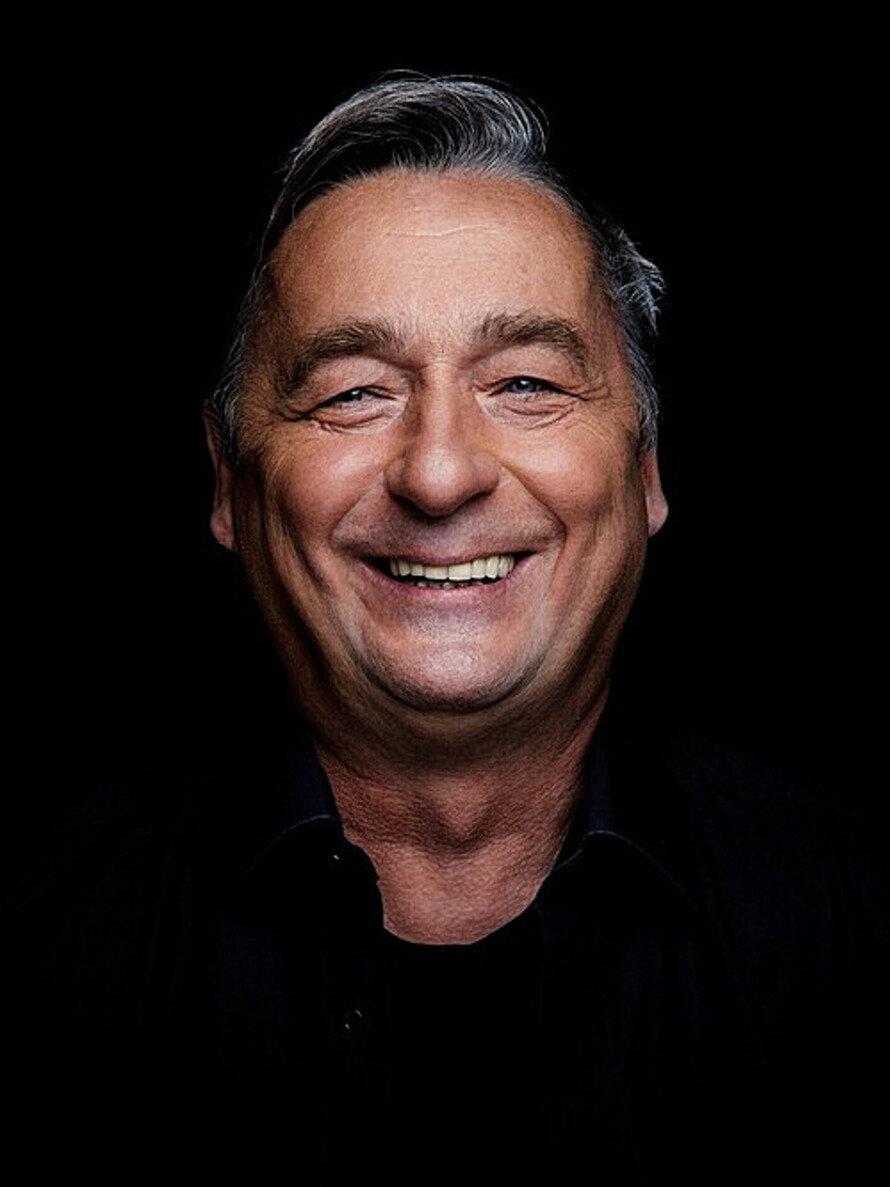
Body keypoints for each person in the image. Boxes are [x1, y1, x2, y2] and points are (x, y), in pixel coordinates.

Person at [6, 75, 885, 1181]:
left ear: (645, 466)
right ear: (229, 481)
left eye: (524, 383)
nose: (438, 473)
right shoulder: (37, 940)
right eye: (352, 394)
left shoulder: (861, 918)